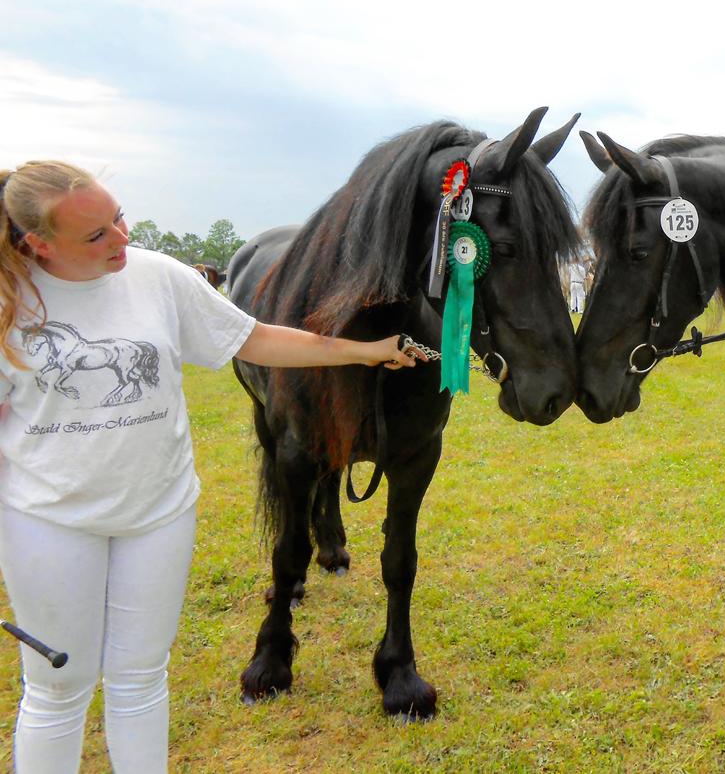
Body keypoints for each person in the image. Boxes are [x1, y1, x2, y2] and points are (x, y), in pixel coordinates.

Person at [0, 161, 427, 773]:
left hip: (158, 512)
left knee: (142, 677)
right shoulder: (9, 301)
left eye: (118, 218)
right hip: (48, 520)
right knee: (57, 688)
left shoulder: (158, 278)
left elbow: (253, 339)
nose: (122, 239)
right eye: (96, 236)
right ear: (38, 243)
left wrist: (365, 351)